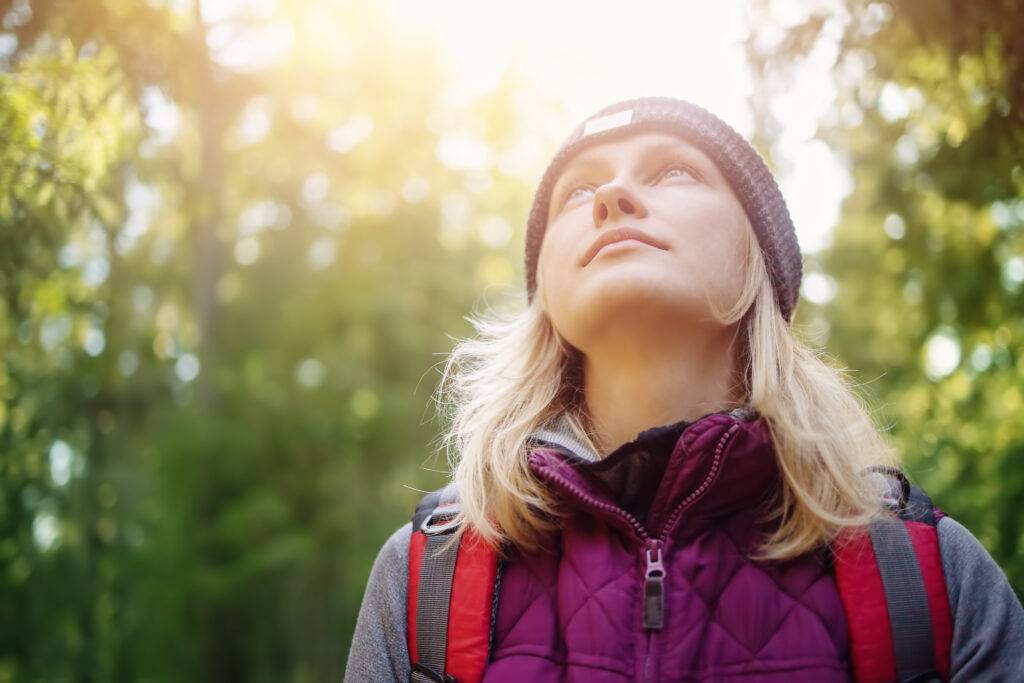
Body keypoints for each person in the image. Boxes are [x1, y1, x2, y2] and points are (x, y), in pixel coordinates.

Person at [344, 96, 1024, 681]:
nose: (612, 198)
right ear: (546, 289)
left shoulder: (928, 575)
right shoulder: (425, 582)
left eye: (674, 171)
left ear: (756, 259)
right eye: (576, 192)